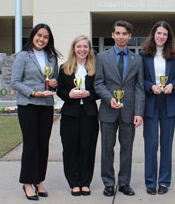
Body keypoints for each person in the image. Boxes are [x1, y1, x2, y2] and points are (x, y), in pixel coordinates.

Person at [94, 20, 145, 197]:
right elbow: (98, 83)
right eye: (118, 33)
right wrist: (109, 99)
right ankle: (108, 183)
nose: (121, 36)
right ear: (113, 35)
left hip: (129, 112)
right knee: (107, 149)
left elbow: (139, 88)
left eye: (124, 33)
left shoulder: (137, 59)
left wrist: (139, 112)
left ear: (129, 36)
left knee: (127, 149)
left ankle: (124, 183)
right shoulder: (102, 57)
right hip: (108, 111)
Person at [11, 23, 61, 200]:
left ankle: (39, 180)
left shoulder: (51, 57)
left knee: (43, 144)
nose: (41, 39)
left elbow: (53, 79)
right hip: (28, 105)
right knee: (31, 144)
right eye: (39, 35)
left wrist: (55, 83)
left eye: (45, 37)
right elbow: (15, 82)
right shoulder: (23, 56)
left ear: (49, 40)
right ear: (33, 36)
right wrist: (32, 92)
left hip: (46, 105)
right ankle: (27, 182)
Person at [140, 21, 175, 195]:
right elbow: (140, 78)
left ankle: (164, 181)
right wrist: (150, 86)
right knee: (151, 144)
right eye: (159, 33)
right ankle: (150, 181)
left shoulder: (174, 55)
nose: (161, 36)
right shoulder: (144, 55)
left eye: (165, 34)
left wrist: (173, 85)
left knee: (166, 144)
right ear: (153, 34)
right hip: (150, 102)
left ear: (168, 36)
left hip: (168, 102)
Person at [57, 35, 99, 196]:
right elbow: (59, 90)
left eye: (85, 47)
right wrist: (69, 94)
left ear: (89, 49)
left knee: (87, 149)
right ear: (74, 48)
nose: (82, 49)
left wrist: (89, 93)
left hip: (89, 115)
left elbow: (100, 90)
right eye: (79, 46)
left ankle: (85, 182)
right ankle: (74, 183)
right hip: (70, 115)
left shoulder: (94, 68)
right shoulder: (64, 68)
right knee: (70, 150)